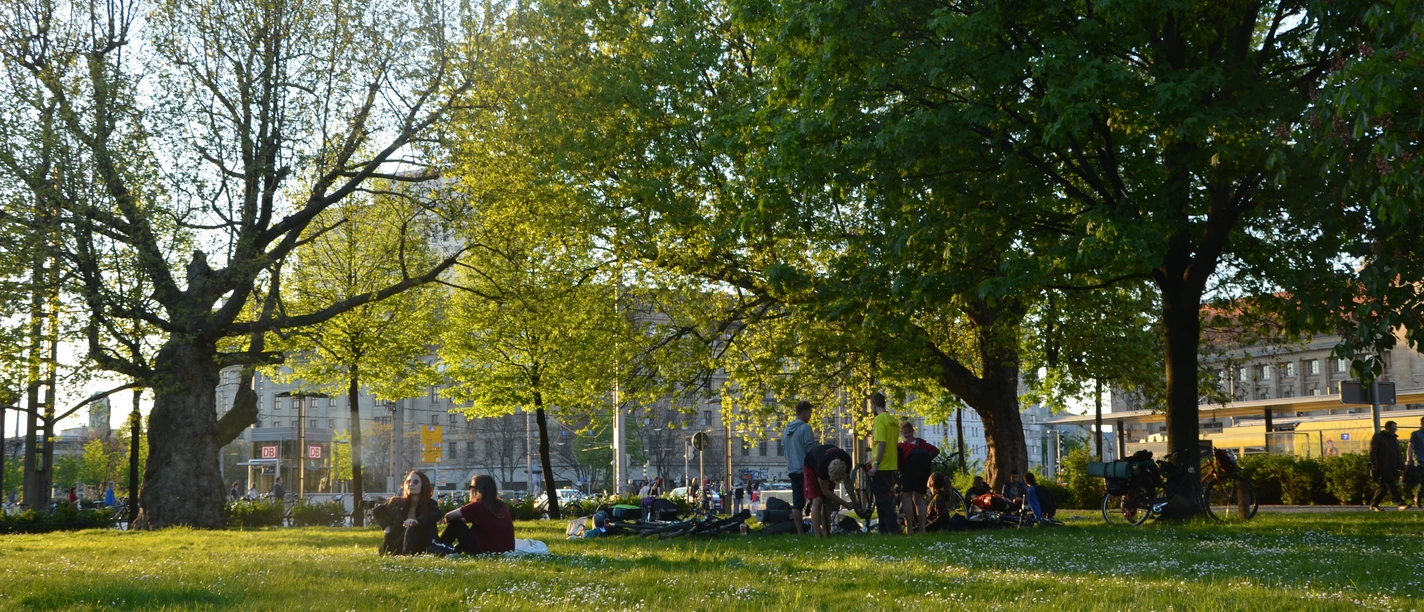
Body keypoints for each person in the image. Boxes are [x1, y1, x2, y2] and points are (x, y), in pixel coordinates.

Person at [439, 474, 516, 555]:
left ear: (478, 490)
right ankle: (454, 549)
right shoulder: (502, 505)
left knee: (456, 524)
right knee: (472, 530)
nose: (469, 491)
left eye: (470, 487)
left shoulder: (478, 506)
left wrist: (453, 521)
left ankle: (439, 547)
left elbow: (448, 516)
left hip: (483, 551)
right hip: (506, 550)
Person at [374, 471, 443, 555]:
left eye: (415, 482)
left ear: (424, 485)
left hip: (420, 544)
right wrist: (386, 527)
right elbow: (377, 511)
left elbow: (436, 514)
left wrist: (417, 522)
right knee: (410, 527)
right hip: (396, 543)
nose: (411, 484)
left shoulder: (430, 504)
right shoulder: (396, 502)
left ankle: (408, 555)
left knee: (413, 526)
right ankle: (406, 556)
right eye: (408, 481)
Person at [803, 443, 856, 537]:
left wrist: (854, 500)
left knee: (828, 501)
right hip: (811, 465)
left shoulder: (847, 460)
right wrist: (845, 504)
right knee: (817, 500)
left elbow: (847, 481)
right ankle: (817, 534)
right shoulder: (822, 467)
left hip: (826, 460)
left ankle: (826, 531)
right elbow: (825, 491)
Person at [782, 400, 816, 535]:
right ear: (805, 412)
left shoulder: (786, 430)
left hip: (792, 470)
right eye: (810, 413)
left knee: (797, 504)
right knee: (815, 501)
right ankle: (817, 530)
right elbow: (810, 450)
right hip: (806, 470)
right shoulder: (805, 428)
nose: (810, 416)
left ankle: (799, 532)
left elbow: (784, 448)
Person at [867, 391, 899, 534]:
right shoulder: (893, 420)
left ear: (873, 404)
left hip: (882, 464)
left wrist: (876, 465)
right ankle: (883, 528)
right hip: (892, 463)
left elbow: (882, 443)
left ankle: (892, 528)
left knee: (882, 498)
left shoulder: (879, 420)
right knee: (884, 497)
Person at [897, 422, 938, 534]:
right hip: (923, 467)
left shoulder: (908, 445)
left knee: (906, 496)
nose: (907, 435)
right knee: (918, 497)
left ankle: (909, 529)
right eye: (905, 433)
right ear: (902, 433)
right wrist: (926, 459)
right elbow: (935, 450)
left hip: (911, 467)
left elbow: (935, 450)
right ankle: (922, 530)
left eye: (909, 432)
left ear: (913, 431)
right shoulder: (914, 444)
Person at [1370, 421, 1409, 511]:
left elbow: (1398, 454)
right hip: (1383, 466)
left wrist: (1402, 466)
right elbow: (1373, 451)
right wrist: (1375, 465)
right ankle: (1401, 503)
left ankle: (1374, 504)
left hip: (1393, 466)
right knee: (1391, 484)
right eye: (1393, 429)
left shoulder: (1394, 439)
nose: (1394, 430)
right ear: (1387, 428)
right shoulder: (1378, 437)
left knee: (1384, 486)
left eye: (1395, 429)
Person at [1408, 417, 1424, 508]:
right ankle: (1418, 497)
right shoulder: (1415, 434)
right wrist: (1408, 459)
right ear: (1421, 423)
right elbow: (1410, 446)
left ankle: (1418, 496)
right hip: (1420, 461)